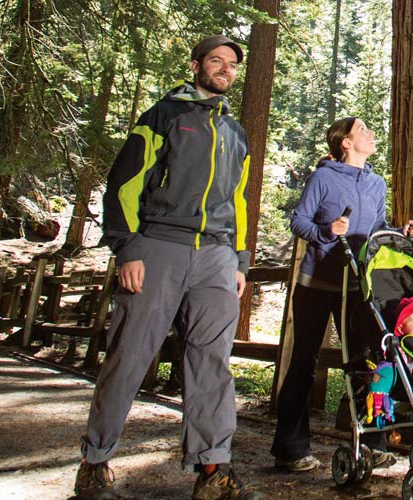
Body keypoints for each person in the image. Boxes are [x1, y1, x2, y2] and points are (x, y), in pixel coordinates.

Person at [73, 35, 263, 500]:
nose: (225, 69)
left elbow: (238, 201)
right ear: (196, 66)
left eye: (232, 64)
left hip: (217, 257)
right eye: (216, 61)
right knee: (129, 355)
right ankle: (94, 463)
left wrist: (240, 259)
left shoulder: (236, 133)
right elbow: (124, 184)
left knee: (213, 363)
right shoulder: (163, 116)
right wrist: (128, 248)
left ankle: (213, 471)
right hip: (159, 247)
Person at [271, 116, 413, 473]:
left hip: (357, 286)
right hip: (316, 285)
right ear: (345, 143)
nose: (370, 134)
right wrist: (327, 231)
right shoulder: (323, 178)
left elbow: (376, 229)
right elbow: (299, 221)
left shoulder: (376, 183)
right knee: (304, 364)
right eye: (363, 130)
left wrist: (401, 232)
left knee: (369, 363)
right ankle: (290, 450)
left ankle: (371, 445)